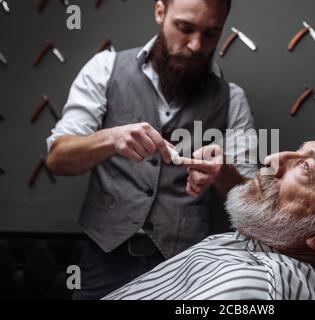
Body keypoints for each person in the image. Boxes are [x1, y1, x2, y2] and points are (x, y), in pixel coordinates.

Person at [46, 0, 257, 300]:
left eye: (211, 34)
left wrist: (221, 172)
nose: (197, 46)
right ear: (160, 12)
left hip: (188, 268)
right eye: (185, 28)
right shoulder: (104, 69)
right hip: (103, 261)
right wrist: (111, 138)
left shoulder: (232, 99)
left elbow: (252, 199)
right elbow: (57, 160)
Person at [103, 132, 315, 300]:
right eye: (298, 151)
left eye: (306, 168)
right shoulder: (255, 250)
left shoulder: (256, 286)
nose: (273, 158)